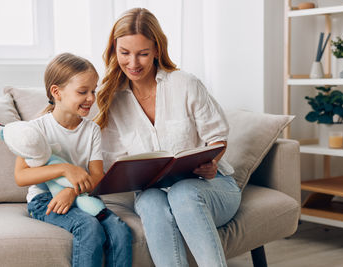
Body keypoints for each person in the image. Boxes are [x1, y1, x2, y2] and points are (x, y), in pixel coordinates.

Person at [95, 8, 241, 267]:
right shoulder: (111, 100)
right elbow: (113, 161)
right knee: (150, 201)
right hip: (153, 191)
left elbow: (217, 137)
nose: (133, 63)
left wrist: (211, 162)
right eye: (124, 53)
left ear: (157, 51)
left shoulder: (185, 84)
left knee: (183, 192)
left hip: (210, 187)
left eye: (143, 53)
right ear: (114, 51)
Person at [14, 53, 132, 267]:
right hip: (44, 200)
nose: (90, 98)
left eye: (93, 91)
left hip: (83, 196)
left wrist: (71, 191)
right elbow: (21, 176)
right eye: (82, 92)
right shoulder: (36, 130)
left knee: (120, 231)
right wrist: (64, 169)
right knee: (88, 227)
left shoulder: (92, 130)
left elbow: (97, 175)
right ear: (56, 92)